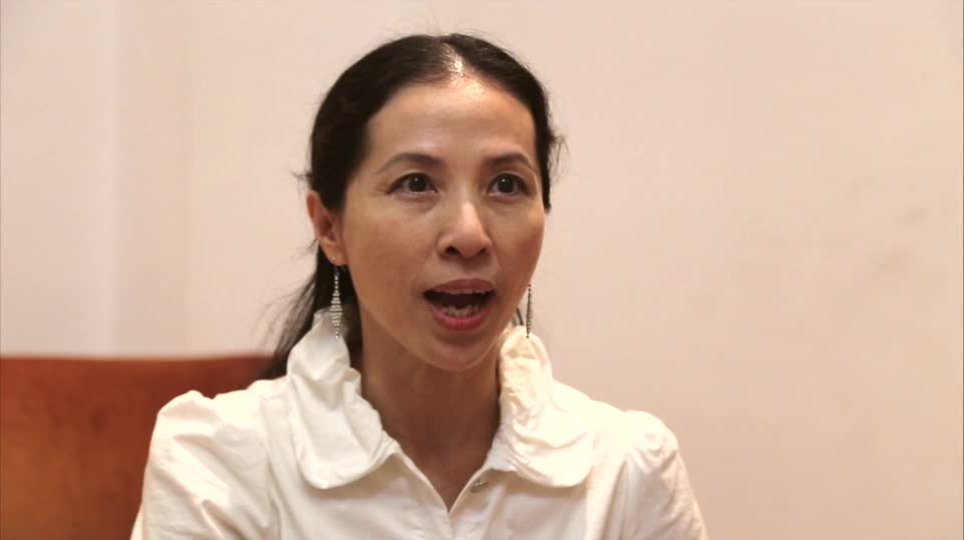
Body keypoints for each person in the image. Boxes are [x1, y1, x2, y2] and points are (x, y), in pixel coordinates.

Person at [132, 33, 708, 539]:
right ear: (330, 227)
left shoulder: (626, 471)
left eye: (507, 184)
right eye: (415, 183)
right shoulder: (220, 464)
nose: (469, 234)